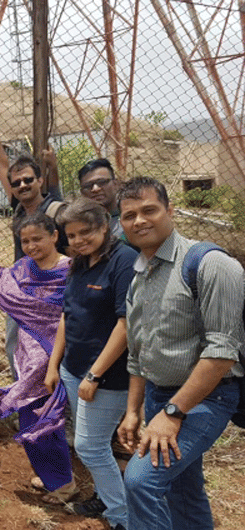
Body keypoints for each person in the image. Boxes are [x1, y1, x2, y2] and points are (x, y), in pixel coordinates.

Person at [116, 177, 244, 530]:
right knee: (183, 492)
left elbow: (222, 352)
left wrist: (173, 412)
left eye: (149, 210)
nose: (139, 221)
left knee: (142, 481)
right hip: (159, 396)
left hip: (206, 399)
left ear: (170, 211)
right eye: (129, 215)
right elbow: (138, 353)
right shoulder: (140, 276)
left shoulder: (211, 264)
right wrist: (132, 411)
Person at [0, 213, 75, 503]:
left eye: (37, 239)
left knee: (49, 419)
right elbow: (3, 285)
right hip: (27, 358)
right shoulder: (23, 268)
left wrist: (53, 360)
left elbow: (71, 314)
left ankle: (64, 485)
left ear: (54, 235)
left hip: (57, 355)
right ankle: (52, 476)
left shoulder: (71, 270)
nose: (30, 246)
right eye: (25, 241)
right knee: (30, 416)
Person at [44, 198, 137, 529]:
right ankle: (103, 496)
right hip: (73, 370)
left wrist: (95, 374)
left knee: (90, 446)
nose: (79, 240)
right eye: (71, 235)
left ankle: (122, 517)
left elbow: (126, 326)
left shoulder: (124, 262)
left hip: (107, 376)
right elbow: (68, 316)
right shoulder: (79, 264)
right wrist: (56, 365)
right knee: (95, 443)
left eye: (86, 232)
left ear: (104, 227)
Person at [0, 109, 67, 380]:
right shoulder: (18, 208)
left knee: (53, 350)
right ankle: (25, 395)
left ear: (40, 181)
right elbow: (1, 166)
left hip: (53, 291)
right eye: (17, 183)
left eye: (29, 179)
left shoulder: (54, 209)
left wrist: (53, 165)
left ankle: (58, 409)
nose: (22, 185)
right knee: (16, 347)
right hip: (22, 288)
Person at [77, 158, 124, 239]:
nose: (95, 189)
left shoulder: (131, 218)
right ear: (82, 193)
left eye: (102, 182)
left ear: (116, 184)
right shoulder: (79, 223)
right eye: (88, 186)